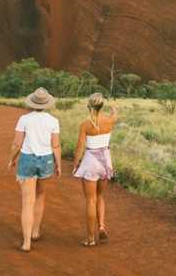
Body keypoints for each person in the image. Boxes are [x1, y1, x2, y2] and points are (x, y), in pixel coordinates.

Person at [7, 87, 62, 252]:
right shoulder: (53, 121)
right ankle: (36, 232)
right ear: (46, 104)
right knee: (40, 195)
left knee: (27, 202)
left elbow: (17, 143)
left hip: (27, 159)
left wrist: (11, 159)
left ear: (32, 102)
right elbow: (56, 145)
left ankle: (26, 242)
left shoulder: (24, 119)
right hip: (46, 160)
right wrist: (58, 164)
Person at [72, 92, 118, 246]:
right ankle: (102, 226)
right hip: (106, 161)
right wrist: (113, 109)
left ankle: (90, 238)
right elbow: (115, 114)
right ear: (101, 105)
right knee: (100, 196)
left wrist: (76, 164)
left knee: (90, 200)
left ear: (89, 105)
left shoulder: (85, 124)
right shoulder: (110, 120)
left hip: (91, 161)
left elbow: (80, 147)